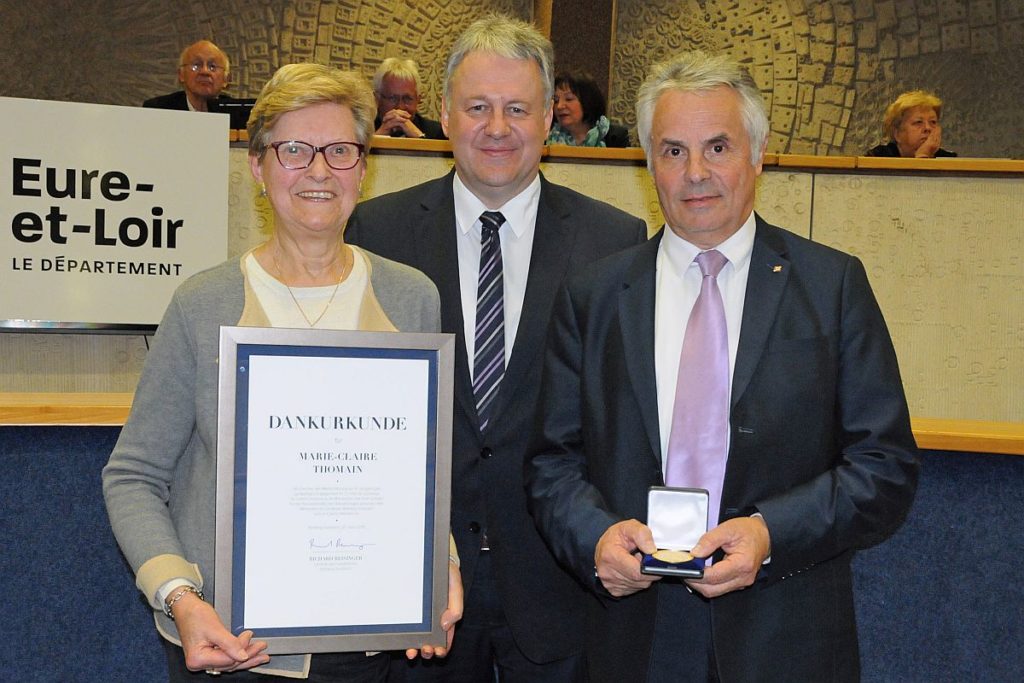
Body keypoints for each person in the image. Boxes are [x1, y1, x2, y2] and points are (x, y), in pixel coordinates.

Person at [526, 51, 920, 682]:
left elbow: (886, 467)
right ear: (649, 162)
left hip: (784, 632)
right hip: (634, 634)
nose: (696, 173)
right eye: (674, 151)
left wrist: (770, 535)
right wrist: (595, 539)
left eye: (718, 147)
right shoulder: (594, 296)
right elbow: (551, 462)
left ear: (756, 154)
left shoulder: (832, 286)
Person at [105, 62, 462, 681]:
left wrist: (441, 562)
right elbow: (133, 476)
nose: (319, 170)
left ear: (363, 166)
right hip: (234, 648)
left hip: (372, 647)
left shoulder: (412, 298)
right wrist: (181, 599)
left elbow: (421, 471)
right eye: (294, 150)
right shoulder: (203, 303)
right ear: (258, 165)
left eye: (340, 150)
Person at [346, 15, 646, 682]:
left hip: (560, 583)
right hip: (419, 587)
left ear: (548, 120)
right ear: (445, 115)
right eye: (478, 107)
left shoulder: (616, 241)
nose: (497, 127)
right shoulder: (377, 231)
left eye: (518, 108)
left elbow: (625, 417)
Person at [143, 40, 251, 129]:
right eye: (196, 66)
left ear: (226, 79)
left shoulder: (240, 115)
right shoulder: (158, 110)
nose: (205, 72)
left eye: (212, 67)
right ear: (181, 75)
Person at [547, 71, 630, 147]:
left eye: (569, 99)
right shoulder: (545, 138)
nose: (559, 106)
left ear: (587, 101)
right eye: (556, 100)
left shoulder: (616, 138)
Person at [865, 90, 956, 158]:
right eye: (918, 122)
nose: (928, 128)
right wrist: (923, 156)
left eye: (933, 122)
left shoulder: (948, 160)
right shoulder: (878, 158)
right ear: (897, 134)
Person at [372, 57, 446, 139]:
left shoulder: (438, 133)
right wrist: (375, 140)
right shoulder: (363, 132)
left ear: (418, 99)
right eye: (392, 98)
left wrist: (420, 138)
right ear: (377, 99)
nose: (400, 107)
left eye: (407, 99)